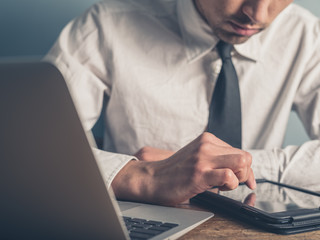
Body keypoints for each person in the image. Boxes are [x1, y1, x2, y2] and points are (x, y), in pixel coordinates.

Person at [44, 0, 320, 206]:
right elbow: (27, 148)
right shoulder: (106, 25)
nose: (257, 14)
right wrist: (142, 176)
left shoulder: (305, 36)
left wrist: (231, 167)